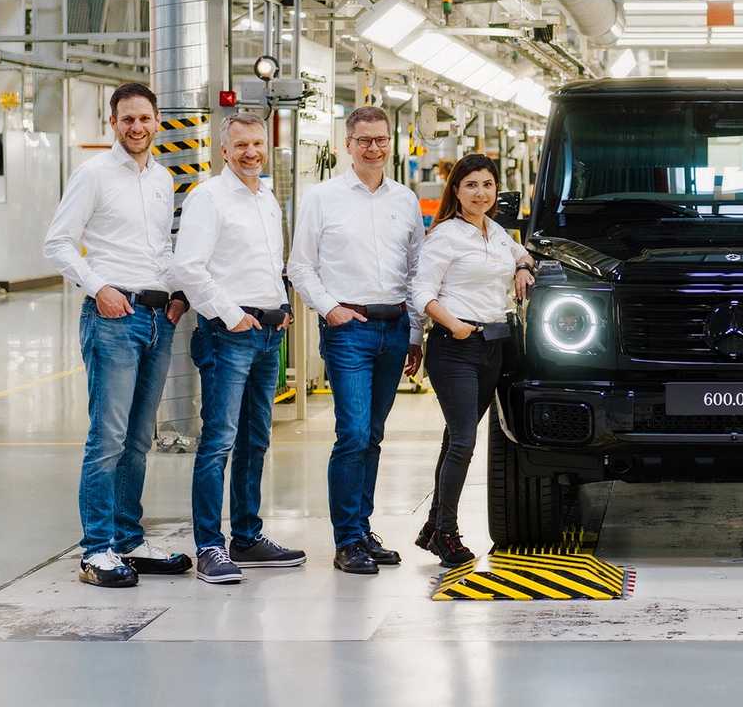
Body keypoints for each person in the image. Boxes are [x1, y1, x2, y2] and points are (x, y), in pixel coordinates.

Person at [43, 83, 192, 588]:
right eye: (127, 119)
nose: (137, 127)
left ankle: (128, 539)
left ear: (157, 122)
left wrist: (176, 295)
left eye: (144, 118)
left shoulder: (163, 179)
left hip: (156, 319)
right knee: (107, 437)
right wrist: (99, 287)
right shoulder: (93, 174)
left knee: (137, 439)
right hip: (112, 317)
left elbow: (160, 248)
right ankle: (96, 550)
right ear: (113, 123)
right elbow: (58, 243)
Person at [288, 106, 424, 576]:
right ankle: (347, 540)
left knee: (374, 435)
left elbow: (416, 271)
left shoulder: (405, 200)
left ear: (391, 142)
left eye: (381, 139)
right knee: (353, 434)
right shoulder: (322, 198)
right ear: (347, 144)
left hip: (395, 327)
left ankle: (363, 531)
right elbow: (300, 265)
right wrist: (330, 308)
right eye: (364, 140)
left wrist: (415, 331)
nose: (373, 148)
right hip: (348, 329)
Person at [172, 111, 307, 584]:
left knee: (256, 439)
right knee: (219, 441)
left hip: (268, 333)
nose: (251, 152)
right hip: (228, 334)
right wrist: (231, 314)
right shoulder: (207, 197)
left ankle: (246, 537)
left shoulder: (266, 197)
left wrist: (281, 305)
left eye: (257, 144)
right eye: (241, 145)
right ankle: (209, 545)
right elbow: (188, 267)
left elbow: (267, 263)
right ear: (224, 150)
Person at [410, 154, 537, 565]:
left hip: (493, 347)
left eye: (487, 185)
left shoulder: (495, 232)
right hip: (456, 348)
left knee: (455, 438)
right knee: (464, 441)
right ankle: (447, 534)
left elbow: (524, 254)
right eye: (471, 185)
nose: (480, 193)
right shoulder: (444, 236)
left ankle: (433, 525)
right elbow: (421, 292)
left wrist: (522, 268)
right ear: (456, 190)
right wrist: (455, 325)